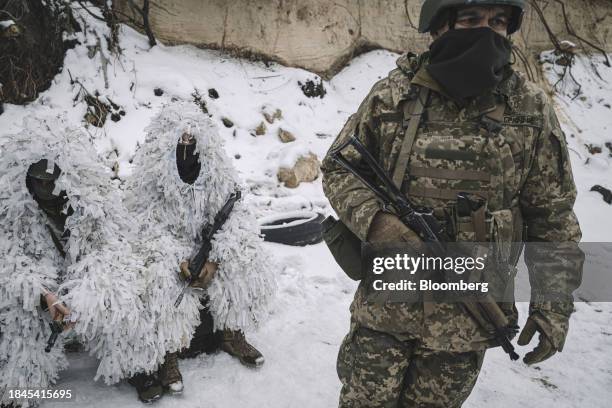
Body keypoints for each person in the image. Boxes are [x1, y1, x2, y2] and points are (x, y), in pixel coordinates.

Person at [321, 0, 584, 406]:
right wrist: (378, 223)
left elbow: (552, 216)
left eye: (497, 22)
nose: (486, 32)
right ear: (439, 27)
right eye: (470, 20)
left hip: (466, 320)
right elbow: (340, 168)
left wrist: (552, 307)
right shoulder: (393, 96)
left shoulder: (528, 109)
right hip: (387, 306)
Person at [0, 118, 158, 406]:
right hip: (44, 289)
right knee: (18, 314)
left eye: (51, 182)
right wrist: (43, 294)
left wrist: (86, 293)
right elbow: (11, 262)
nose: (45, 190)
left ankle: (133, 365)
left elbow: (112, 251)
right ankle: (21, 386)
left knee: (122, 297)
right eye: (38, 182)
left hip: (85, 280)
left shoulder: (94, 204)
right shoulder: (14, 211)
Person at [124, 102, 276, 401]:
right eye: (178, 142)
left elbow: (237, 218)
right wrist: (177, 259)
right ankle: (168, 352)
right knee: (156, 273)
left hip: (210, 251)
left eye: (191, 142)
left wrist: (216, 259)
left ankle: (231, 333)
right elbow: (142, 229)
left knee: (246, 254)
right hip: (172, 255)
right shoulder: (149, 179)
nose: (185, 148)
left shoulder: (217, 173)